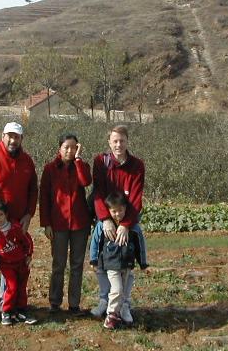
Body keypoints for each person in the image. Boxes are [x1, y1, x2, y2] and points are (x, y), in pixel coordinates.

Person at [0, 122, 38, 322]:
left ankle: (6, 304)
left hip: (16, 224)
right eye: (9, 136)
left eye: (17, 137)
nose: (13, 140)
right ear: (2, 136)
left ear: (22, 139)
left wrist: (29, 214)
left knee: (13, 262)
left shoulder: (27, 162)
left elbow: (33, 190)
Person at [91, 125, 147, 325]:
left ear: (127, 141)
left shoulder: (137, 165)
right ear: (109, 142)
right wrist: (105, 219)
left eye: (122, 141)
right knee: (102, 264)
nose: (118, 145)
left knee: (126, 266)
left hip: (127, 219)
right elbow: (97, 193)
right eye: (115, 141)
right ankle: (104, 301)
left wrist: (125, 224)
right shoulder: (100, 162)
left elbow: (136, 198)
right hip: (105, 219)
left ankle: (124, 304)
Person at [39, 133, 92, 314]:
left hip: (80, 224)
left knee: (77, 265)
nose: (69, 151)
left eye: (73, 147)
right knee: (58, 264)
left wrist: (78, 160)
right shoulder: (50, 169)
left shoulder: (82, 166)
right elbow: (44, 197)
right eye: (66, 147)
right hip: (58, 224)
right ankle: (55, 303)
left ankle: (74, 304)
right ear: (59, 149)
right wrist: (46, 223)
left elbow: (86, 181)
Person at [89, 192, 146, 329]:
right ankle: (111, 314)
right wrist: (93, 260)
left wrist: (142, 262)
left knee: (124, 288)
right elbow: (95, 242)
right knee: (117, 288)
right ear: (108, 210)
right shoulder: (103, 226)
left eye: (120, 210)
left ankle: (123, 309)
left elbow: (140, 244)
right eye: (114, 211)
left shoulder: (133, 227)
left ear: (126, 208)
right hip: (111, 263)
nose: (118, 214)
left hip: (126, 263)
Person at [0, 200, 37, 325]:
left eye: (1, 215)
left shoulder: (15, 227)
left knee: (21, 287)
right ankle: (6, 311)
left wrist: (29, 255)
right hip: (7, 265)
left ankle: (21, 311)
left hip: (21, 263)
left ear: (6, 215)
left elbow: (27, 241)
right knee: (12, 287)